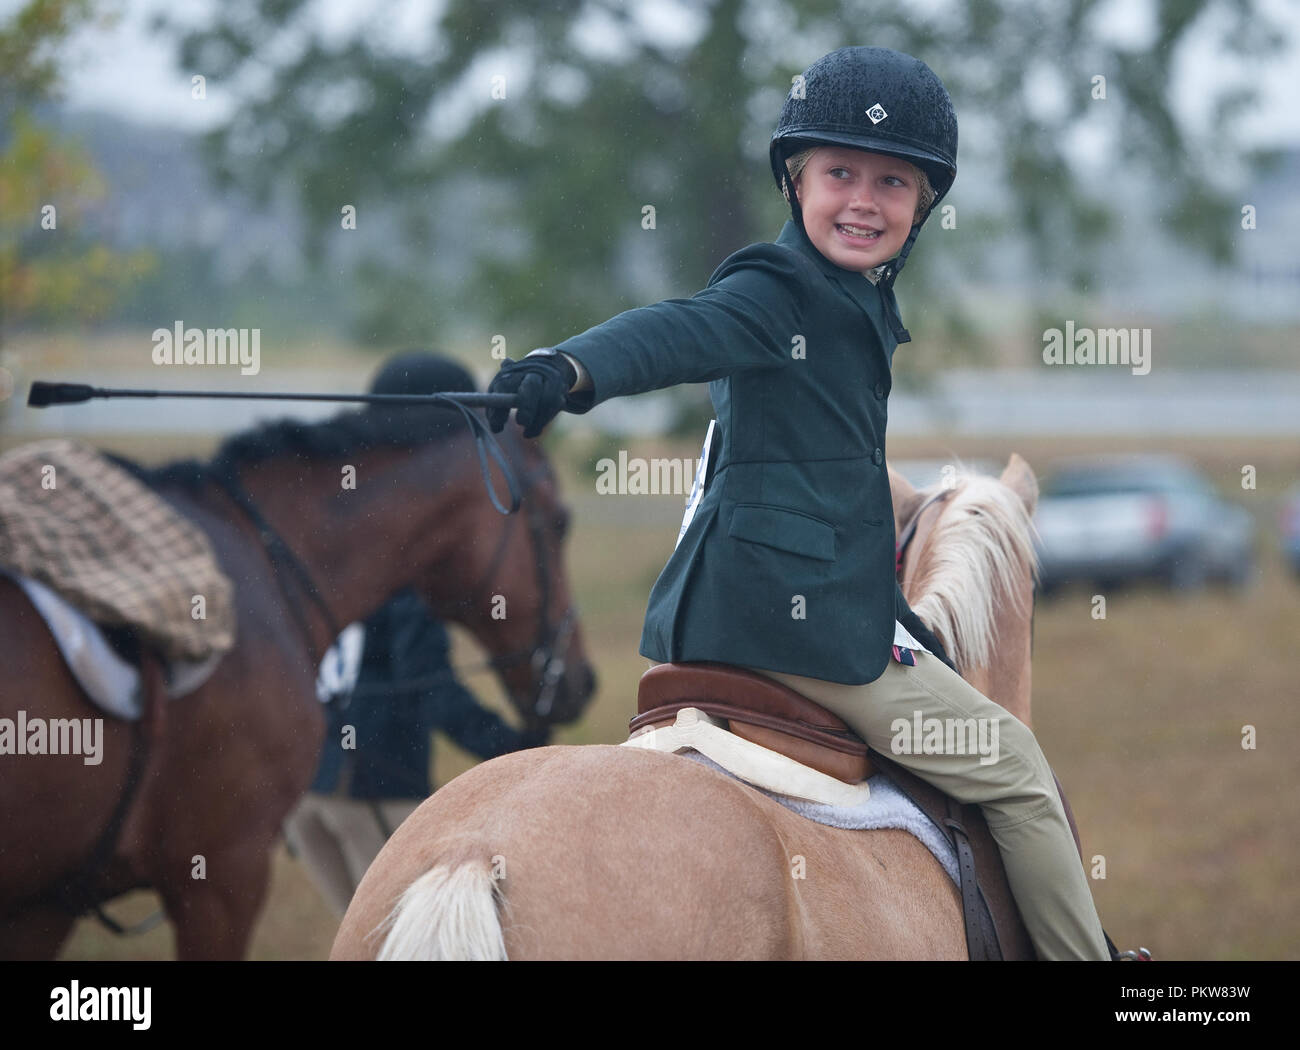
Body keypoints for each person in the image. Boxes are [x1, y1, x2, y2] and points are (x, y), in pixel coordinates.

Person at [486, 47, 1112, 960]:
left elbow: (842, 497)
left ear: (922, 205)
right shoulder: (778, 289)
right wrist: (571, 367)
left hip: (752, 608)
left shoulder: (851, 301)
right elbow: (680, 330)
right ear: (796, 180)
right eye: (839, 174)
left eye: (891, 182)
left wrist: (898, 616)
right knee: (1016, 770)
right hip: (795, 628)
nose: (863, 200)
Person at [284, 351, 548, 917]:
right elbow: (428, 684)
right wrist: (519, 750)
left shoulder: (329, 520)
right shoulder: (410, 535)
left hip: (308, 792)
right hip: (377, 785)